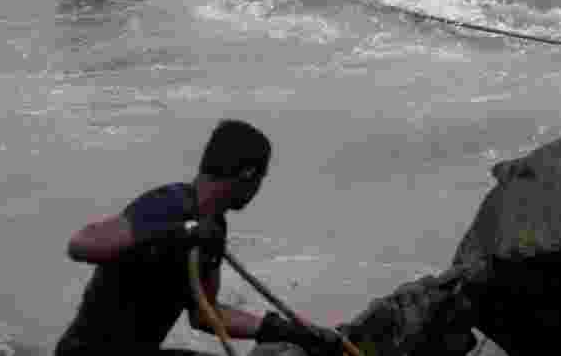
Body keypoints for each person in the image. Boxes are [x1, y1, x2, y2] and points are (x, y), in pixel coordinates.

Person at [55, 120, 345, 356]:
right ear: (248, 175)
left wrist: (285, 330)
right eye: (260, 180)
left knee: (280, 349)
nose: (258, 190)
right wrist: (181, 234)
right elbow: (81, 244)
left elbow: (205, 315)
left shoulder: (214, 228)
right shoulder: (167, 204)